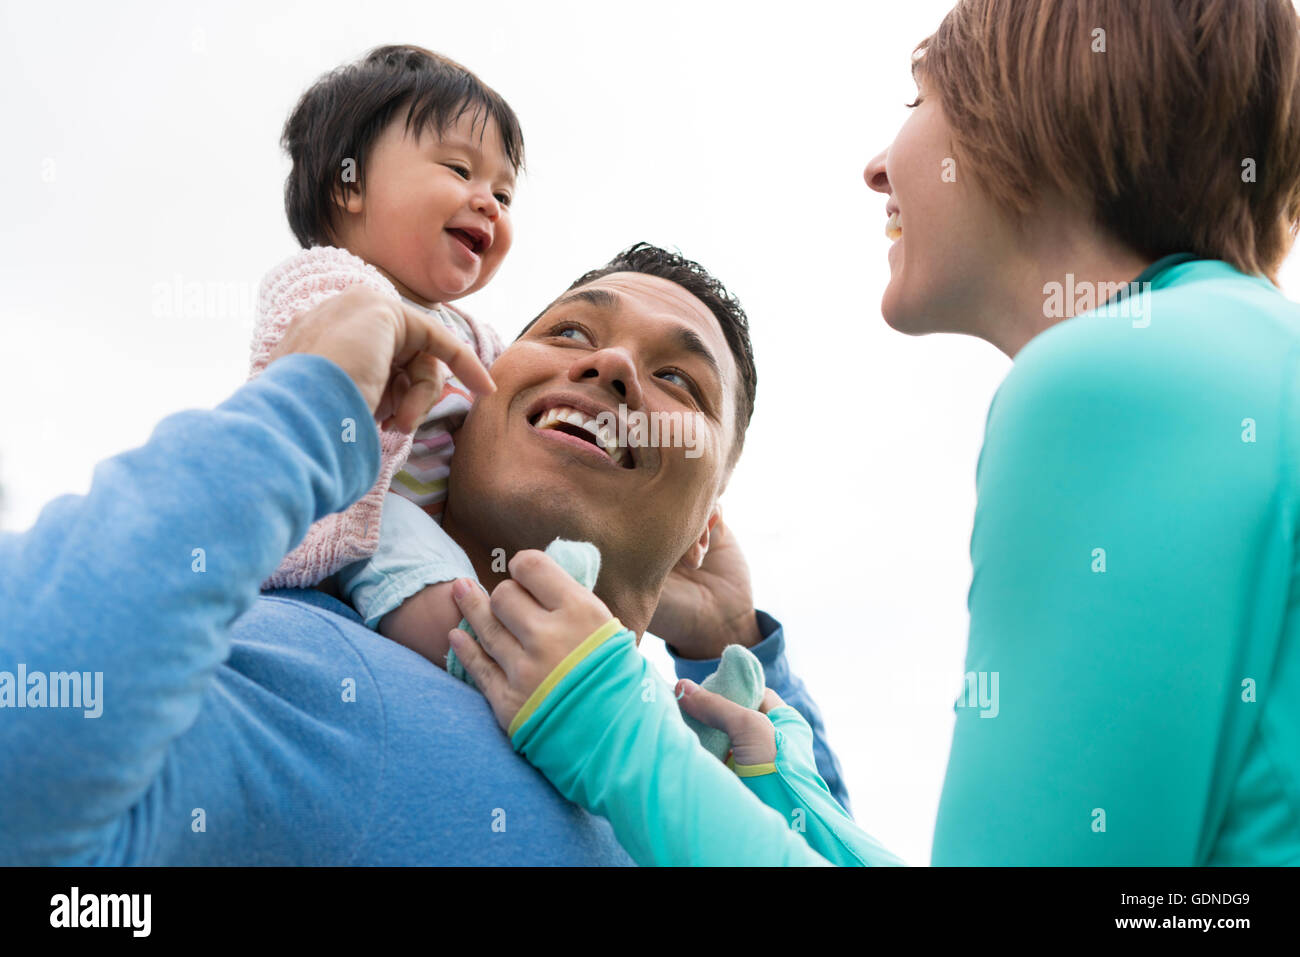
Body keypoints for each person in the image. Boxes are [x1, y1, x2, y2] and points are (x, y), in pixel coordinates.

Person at [455, 0, 1300, 865]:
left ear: (1040, 119)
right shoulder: (1240, 353)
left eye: (919, 101)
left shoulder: (1116, 381)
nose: (876, 168)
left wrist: (608, 730)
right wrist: (800, 803)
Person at [0, 248, 864, 864]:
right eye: (568, 332)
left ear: (705, 526)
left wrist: (734, 640)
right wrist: (308, 404)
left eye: (680, 380)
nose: (609, 364)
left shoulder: (683, 775)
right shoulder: (313, 666)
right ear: (461, 405)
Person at [246, 44, 526, 674]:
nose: (488, 202)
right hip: (357, 522)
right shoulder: (328, 287)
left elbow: (526, 400)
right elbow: (300, 389)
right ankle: (497, 674)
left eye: (504, 196)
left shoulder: (475, 336)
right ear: (348, 185)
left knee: (516, 582)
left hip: (447, 542)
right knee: (428, 574)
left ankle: (591, 671)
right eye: (458, 169)